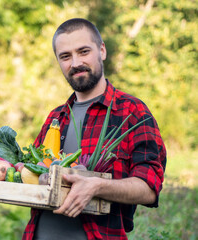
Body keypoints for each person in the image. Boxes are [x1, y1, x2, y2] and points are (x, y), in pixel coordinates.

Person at [22, 18, 167, 240]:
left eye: (83, 51)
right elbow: (28, 176)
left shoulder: (132, 112)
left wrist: (97, 186)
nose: (75, 62)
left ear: (102, 51)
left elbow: (149, 188)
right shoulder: (56, 117)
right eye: (65, 56)